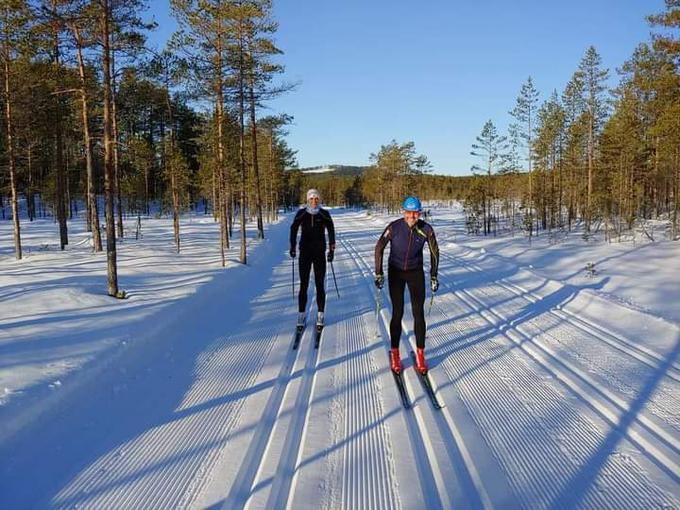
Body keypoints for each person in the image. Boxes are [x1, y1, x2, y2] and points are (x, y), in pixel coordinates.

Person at [374, 196, 439, 374]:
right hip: (396, 272)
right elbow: (379, 247)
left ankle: (420, 354)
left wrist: (434, 275)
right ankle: (395, 353)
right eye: (409, 212)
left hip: (415, 272)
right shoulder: (394, 227)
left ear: (419, 212)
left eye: (415, 212)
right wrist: (379, 272)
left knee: (418, 313)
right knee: (398, 312)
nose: (412, 216)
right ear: (404, 212)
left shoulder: (426, 229)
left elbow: (435, 252)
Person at [290, 189, 336, 328]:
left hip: (319, 253)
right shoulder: (302, 213)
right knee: (303, 284)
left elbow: (331, 230)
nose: (314, 201)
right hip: (304, 253)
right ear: (307, 200)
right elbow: (293, 229)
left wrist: (331, 250)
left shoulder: (324, 214)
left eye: (316, 199)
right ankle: (301, 314)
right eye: (311, 199)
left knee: (319, 284)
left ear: (319, 200)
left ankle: (320, 314)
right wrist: (292, 247)